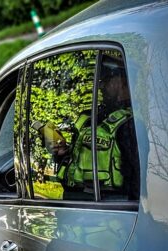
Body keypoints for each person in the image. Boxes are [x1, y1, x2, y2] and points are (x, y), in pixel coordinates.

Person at [47, 54, 138, 200]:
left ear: (123, 82)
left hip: (113, 207)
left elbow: (138, 178)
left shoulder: (131, 123)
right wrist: (63, 154)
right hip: (77, 204)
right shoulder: (88, 119)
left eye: (106, 80)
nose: (100, 86)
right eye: (100, 81)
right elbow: (76, 164)